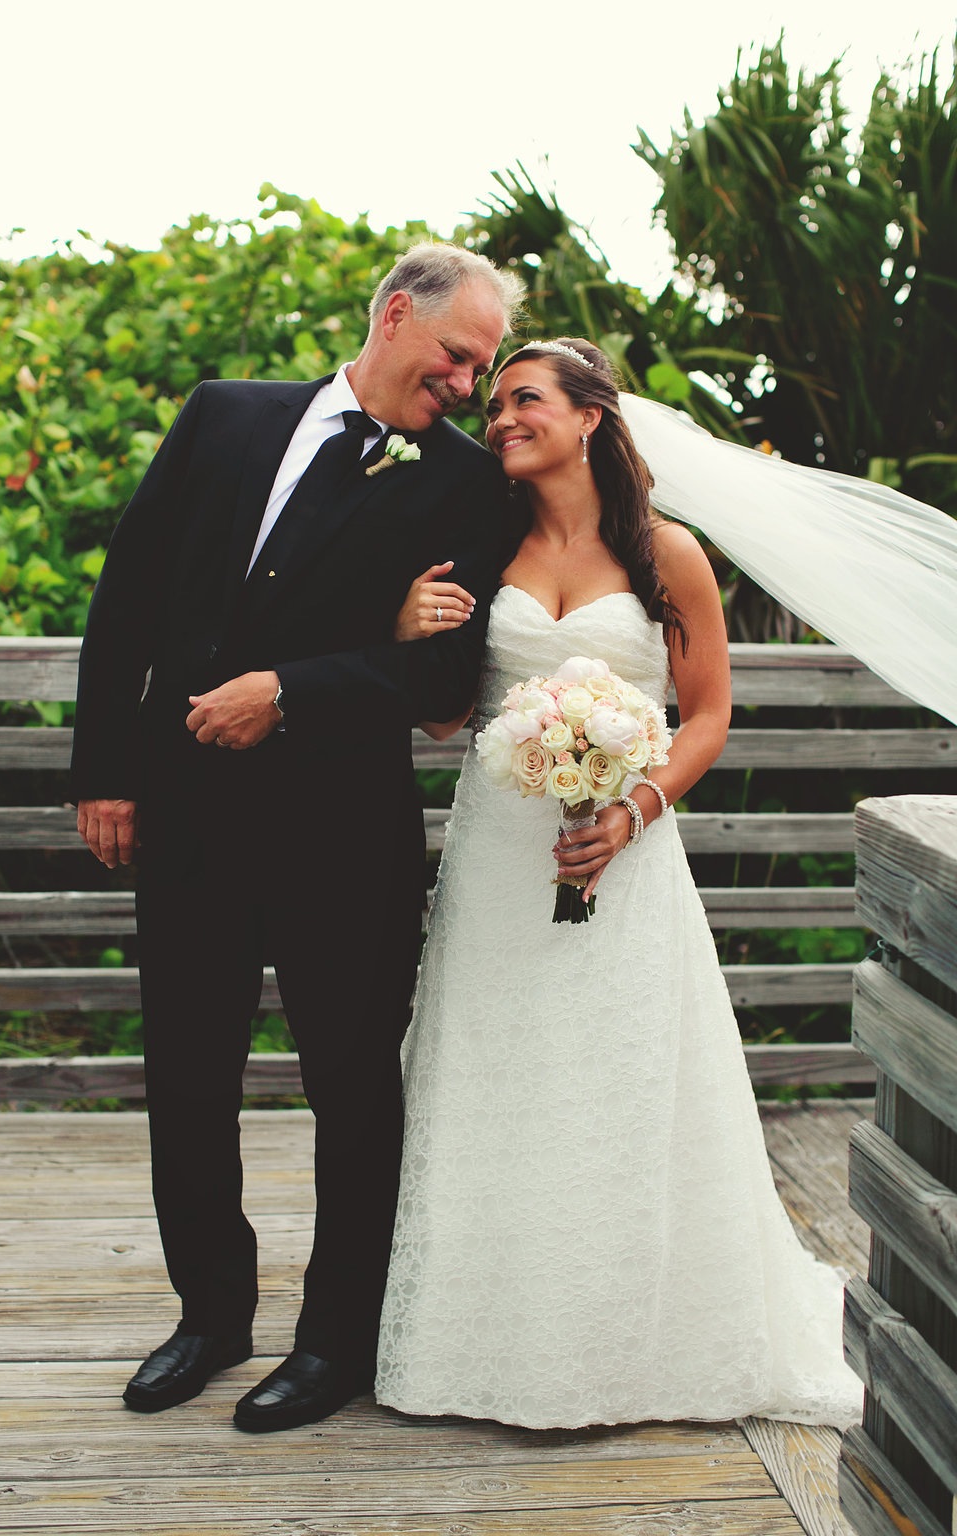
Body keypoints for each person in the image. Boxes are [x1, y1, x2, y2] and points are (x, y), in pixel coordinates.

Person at [70, 243, 524, 1432]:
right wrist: (105, 771)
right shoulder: (224, 418)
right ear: (391, 317)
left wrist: (296, 689)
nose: (469, 384)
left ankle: (335, 1346)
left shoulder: (471, 485)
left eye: (482, 368)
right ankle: (210, 1316)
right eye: (457, 356)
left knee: (352, 1089)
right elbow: (126, 596)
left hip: (345, 833)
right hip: (184, 817)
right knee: (187, 1075)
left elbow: (442, 670)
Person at [374, 337, 864, 1429]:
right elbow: (450, 716)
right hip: (499, 853)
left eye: (523, 400)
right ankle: (480, 1332)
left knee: (616, 1073)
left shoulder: (667, 554)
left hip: (623, 851)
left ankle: (624, 1338)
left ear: (590, 415)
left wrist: (632, 810)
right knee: (494, 1070)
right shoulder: (483, 543)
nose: (499, 418)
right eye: (494, 404)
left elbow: (707, 713)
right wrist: (409, 632)